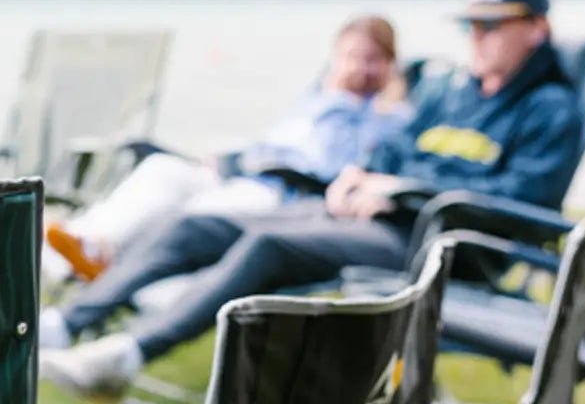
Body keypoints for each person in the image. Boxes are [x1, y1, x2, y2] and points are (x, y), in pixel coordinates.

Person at [41, 0, 584, 397]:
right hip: (377, 214)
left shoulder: (551, 109)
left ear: (536, 29)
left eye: (491, 27)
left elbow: (519, 199)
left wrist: (402, 189)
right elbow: (396, 144)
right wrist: (363, 173)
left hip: (440, 243)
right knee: (203, 226)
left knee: (268, 244)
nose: (476, 38)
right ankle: (69, 323)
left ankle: (127, 355)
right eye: (471, 25)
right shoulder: (456, 93)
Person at [45, 15, 413, 280]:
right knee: (163, 171)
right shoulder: (317, 98)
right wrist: (230, 158)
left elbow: (344, 164)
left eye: (372, 59)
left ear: (390, 64)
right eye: (352, 57)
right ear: (336, 58)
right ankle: (77, 246)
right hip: (245, 173)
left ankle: (100, 263)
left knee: (193, 216)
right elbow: (278, 140)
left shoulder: (389, 115)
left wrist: (360, 99)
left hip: (283, 195)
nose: (360, 69)